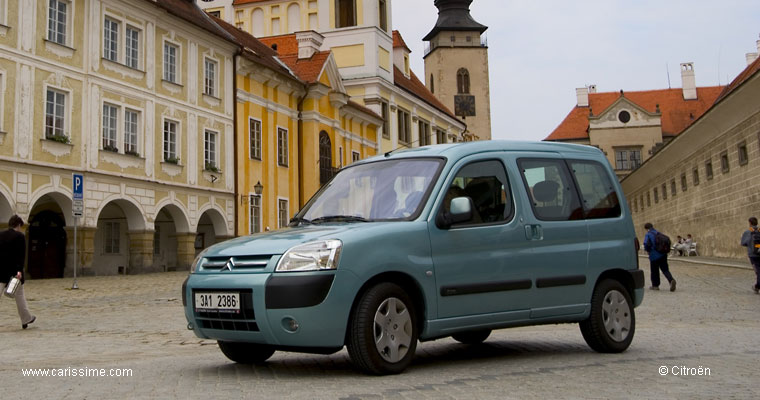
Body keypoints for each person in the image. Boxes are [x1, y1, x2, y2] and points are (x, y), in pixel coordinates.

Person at [0, 215, 36, 329]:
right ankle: (26, 319)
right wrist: (19, 271)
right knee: (19, 296)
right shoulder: (20, 236)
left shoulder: (1, 234)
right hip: (14, 272)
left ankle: (27, 318)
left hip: (1, 271)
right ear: (19, 225)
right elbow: (21, 256)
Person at [643, 222, 677, 291]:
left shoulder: (648, 234)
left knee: (654, 271)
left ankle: (655, 285)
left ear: (646, 228)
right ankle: (671, 280)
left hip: (654, 256)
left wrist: (647, 250)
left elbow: (646, 244)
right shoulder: (658, 233)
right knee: (665, 269)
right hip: (663, 254)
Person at [740, 217, 760, 294]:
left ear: (750, 223)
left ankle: (757, 286)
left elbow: (743, 243)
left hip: (753, 254)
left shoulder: (748, 231)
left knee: (758, 270)